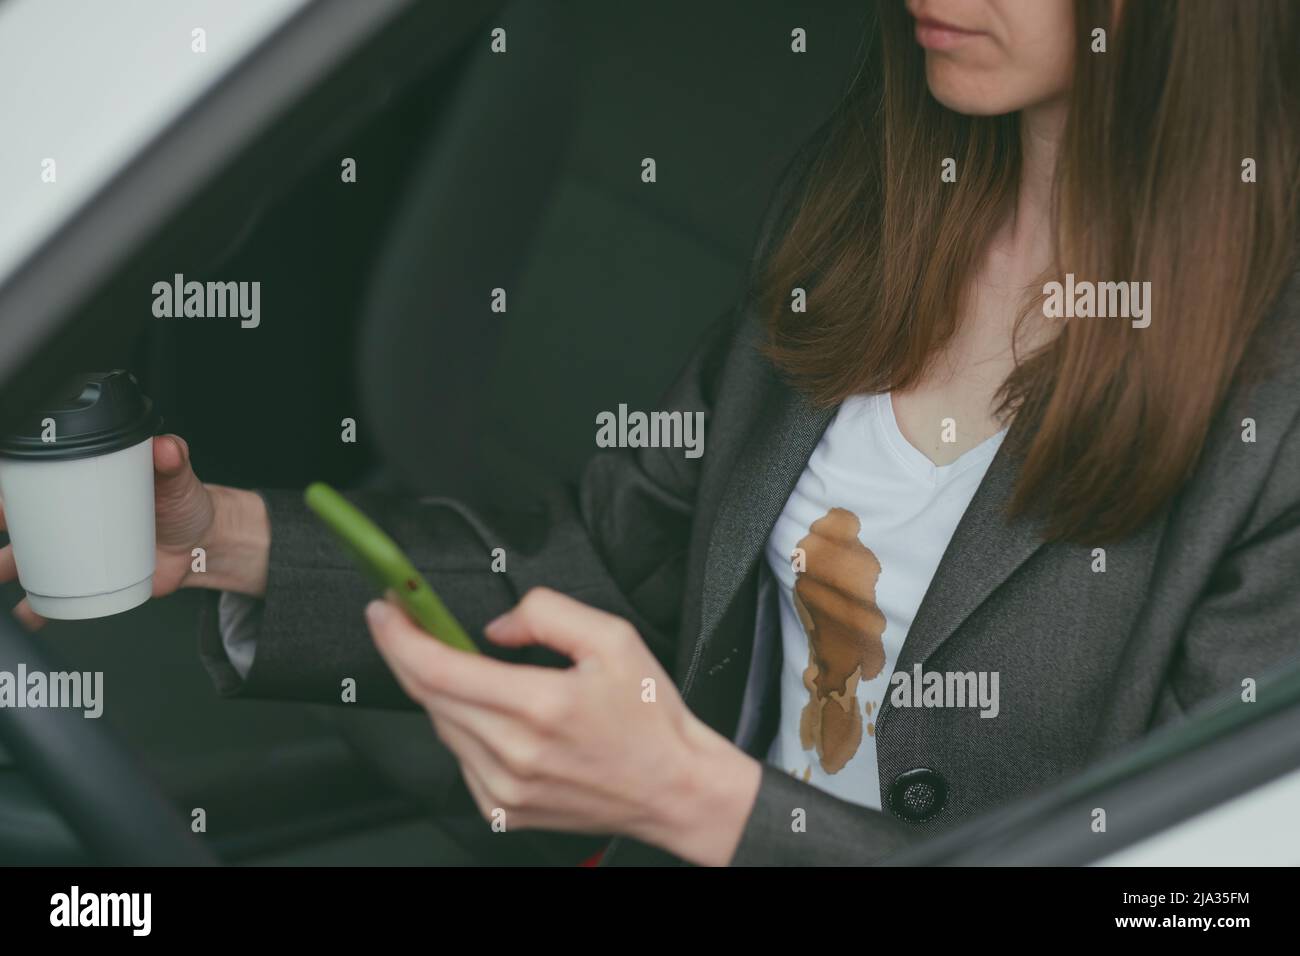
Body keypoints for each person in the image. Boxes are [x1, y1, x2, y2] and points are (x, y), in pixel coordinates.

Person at [5, 0, 1300, 866]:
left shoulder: (1274, 402)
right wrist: (220, 539)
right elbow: (592, 568)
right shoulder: (870, 229)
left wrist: (698, 799)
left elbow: (1187, 877)